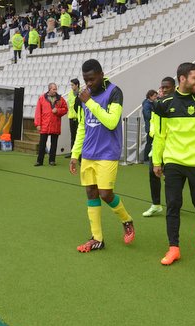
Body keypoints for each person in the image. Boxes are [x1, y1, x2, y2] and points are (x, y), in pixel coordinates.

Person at [152, 62, 195, 265]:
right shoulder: (164, 103)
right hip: (173, 162)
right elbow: (160, 136)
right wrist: (157, 160)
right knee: (173, 204)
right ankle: (174, 248)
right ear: (182, 79)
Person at [69, 59, 134, 253]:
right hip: (88, 153)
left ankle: (126, 219)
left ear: (101, 74)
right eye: (85, 79)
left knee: (105, 194)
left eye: (92, 79)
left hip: (107, 152)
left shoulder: (114, 92)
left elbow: (112, 122)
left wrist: (89, 102)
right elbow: (83, 126)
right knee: (91, 193)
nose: (88, 83)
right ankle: (97, 238)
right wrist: (74, 154)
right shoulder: (83, 97)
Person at [142, 77, 175, 218]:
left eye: (167, 87)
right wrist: (153, 131)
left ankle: (172, 205)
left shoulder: (176, 103)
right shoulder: (158, 105)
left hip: (172, 148)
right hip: (157, 145)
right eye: (162, 88)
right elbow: (153, 122)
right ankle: (156, 204)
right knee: (153, 174)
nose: (164, 90)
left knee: (171, 178)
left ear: (174, 87)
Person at [34, 83, 68, 166]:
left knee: (54, 144)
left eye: (56, 89)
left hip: (55, 124)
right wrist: (38, 124)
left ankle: (52, 160)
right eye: (54, 89)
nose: (55, 91)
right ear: (49, 89)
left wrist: (58, 111)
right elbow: (38, 112)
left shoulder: (61, 99)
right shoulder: (41, 98)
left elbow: (65, 109)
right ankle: (39, 161)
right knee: (42, 144)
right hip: (45, 124)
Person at [65, 78, 82, 159]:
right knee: (73, 136)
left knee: (80, 136)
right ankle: (72, 152)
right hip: (71, 117)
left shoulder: (82, 93)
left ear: (77, 85)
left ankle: (79, 154)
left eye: (72, 85)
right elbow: (71, 105)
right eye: (71, 85)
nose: (71, 86)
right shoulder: (70, 94)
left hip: (79, 118)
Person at [141, 89, 158, 160]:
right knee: (149, 143)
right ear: (150, 96)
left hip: (152, 126)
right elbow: (147, 115)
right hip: (150, 127)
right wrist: (154, 114)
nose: (156, 97)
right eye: (154, 96)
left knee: (150, 142)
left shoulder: (150, 103)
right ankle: (146, 158)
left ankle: (147, 158)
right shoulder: (147, 105)